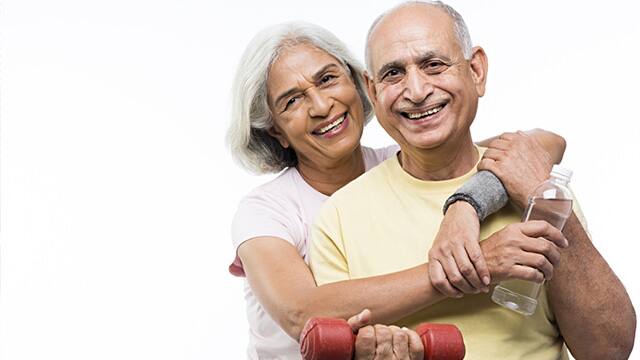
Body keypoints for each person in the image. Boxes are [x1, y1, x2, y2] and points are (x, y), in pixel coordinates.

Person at [309, 1, 636, 359]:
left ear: (476, 70)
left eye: (433, 64)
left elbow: (609, 350)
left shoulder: (533, 186)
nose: (416, 91)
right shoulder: (339, 218)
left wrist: (547, 203)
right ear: (372, 92)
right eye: (393, 74)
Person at [227, 21, 567, 359]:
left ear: (361, 86)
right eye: (292, 101)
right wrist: (471, 265)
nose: (320, 106)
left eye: (328, 79)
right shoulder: (265, 211)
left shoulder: (406, 165)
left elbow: (541, 145)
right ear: (276, 132)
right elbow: (301, 313)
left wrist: (464, 205)